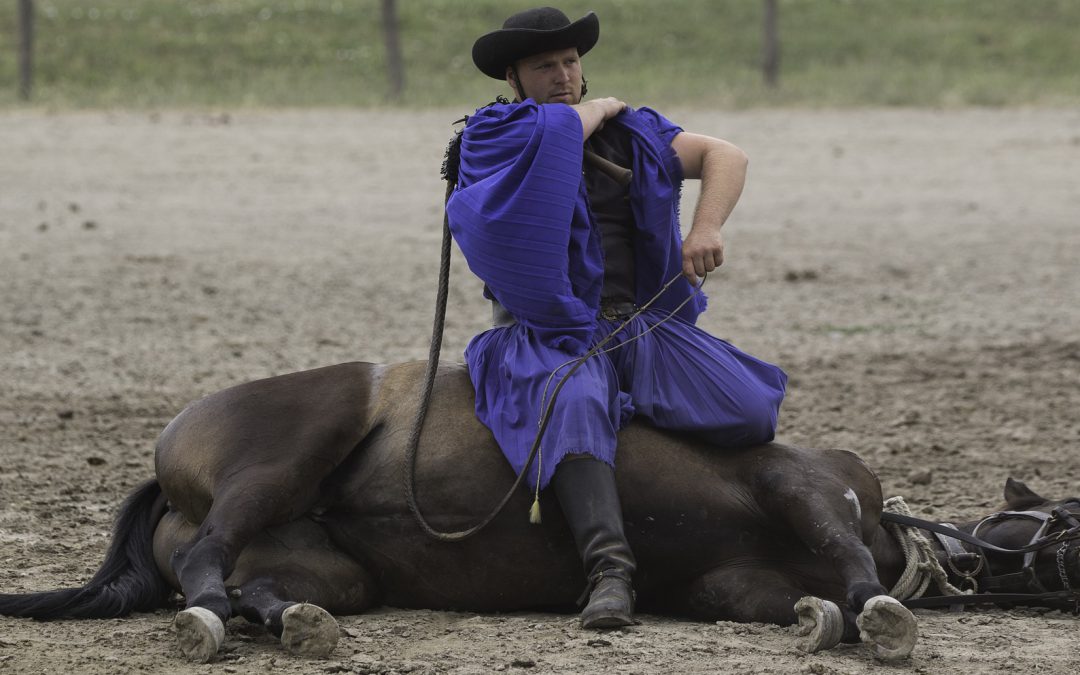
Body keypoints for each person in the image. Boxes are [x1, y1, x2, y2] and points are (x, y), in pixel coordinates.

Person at [446, 7, 788, 629]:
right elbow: (550, 136)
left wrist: (705, 226)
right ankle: (609, 570)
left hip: (640, 324)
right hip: (549, 333)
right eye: (544, 65)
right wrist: (599, 107)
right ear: (512, 77)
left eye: (570, 62)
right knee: (573, 405)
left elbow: (725, 154)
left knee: (749, 405)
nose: (562, 74)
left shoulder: (632, 133)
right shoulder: (494, 132)